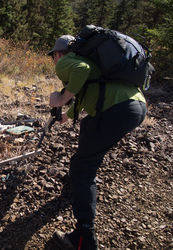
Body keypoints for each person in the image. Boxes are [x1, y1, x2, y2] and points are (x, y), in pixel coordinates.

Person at [48, 35, 147, 249]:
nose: (55, 62)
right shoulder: (97, 63)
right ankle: (74, 186)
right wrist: (68, 113)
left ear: (57, 54)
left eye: (54, 57)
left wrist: (62, 99)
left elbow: (80, 70)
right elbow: (91, 90)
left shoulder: (66, 61)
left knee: (83, 166)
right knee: (88, 132)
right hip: (136, 106)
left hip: (117, 109)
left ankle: (84, 237)